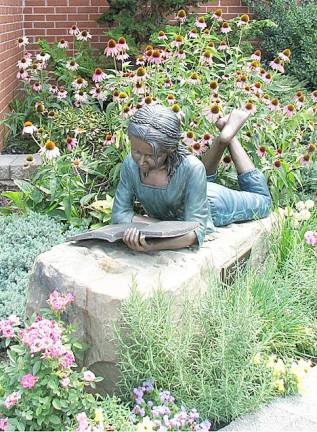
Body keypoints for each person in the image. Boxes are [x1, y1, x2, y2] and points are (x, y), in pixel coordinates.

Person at [111, 104, 272, 252]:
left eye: (150, 155)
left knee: (263, 201)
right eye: (137, 152)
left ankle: (227, 138)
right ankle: (222, 138)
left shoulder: (191, 168)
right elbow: (119, 215)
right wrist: (161, 228)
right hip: (193, 192)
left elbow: (195, 231)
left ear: (170, 150)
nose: (140, 161)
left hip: (213, 204)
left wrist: (152, 244)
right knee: (200, 175)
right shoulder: (130, 165)